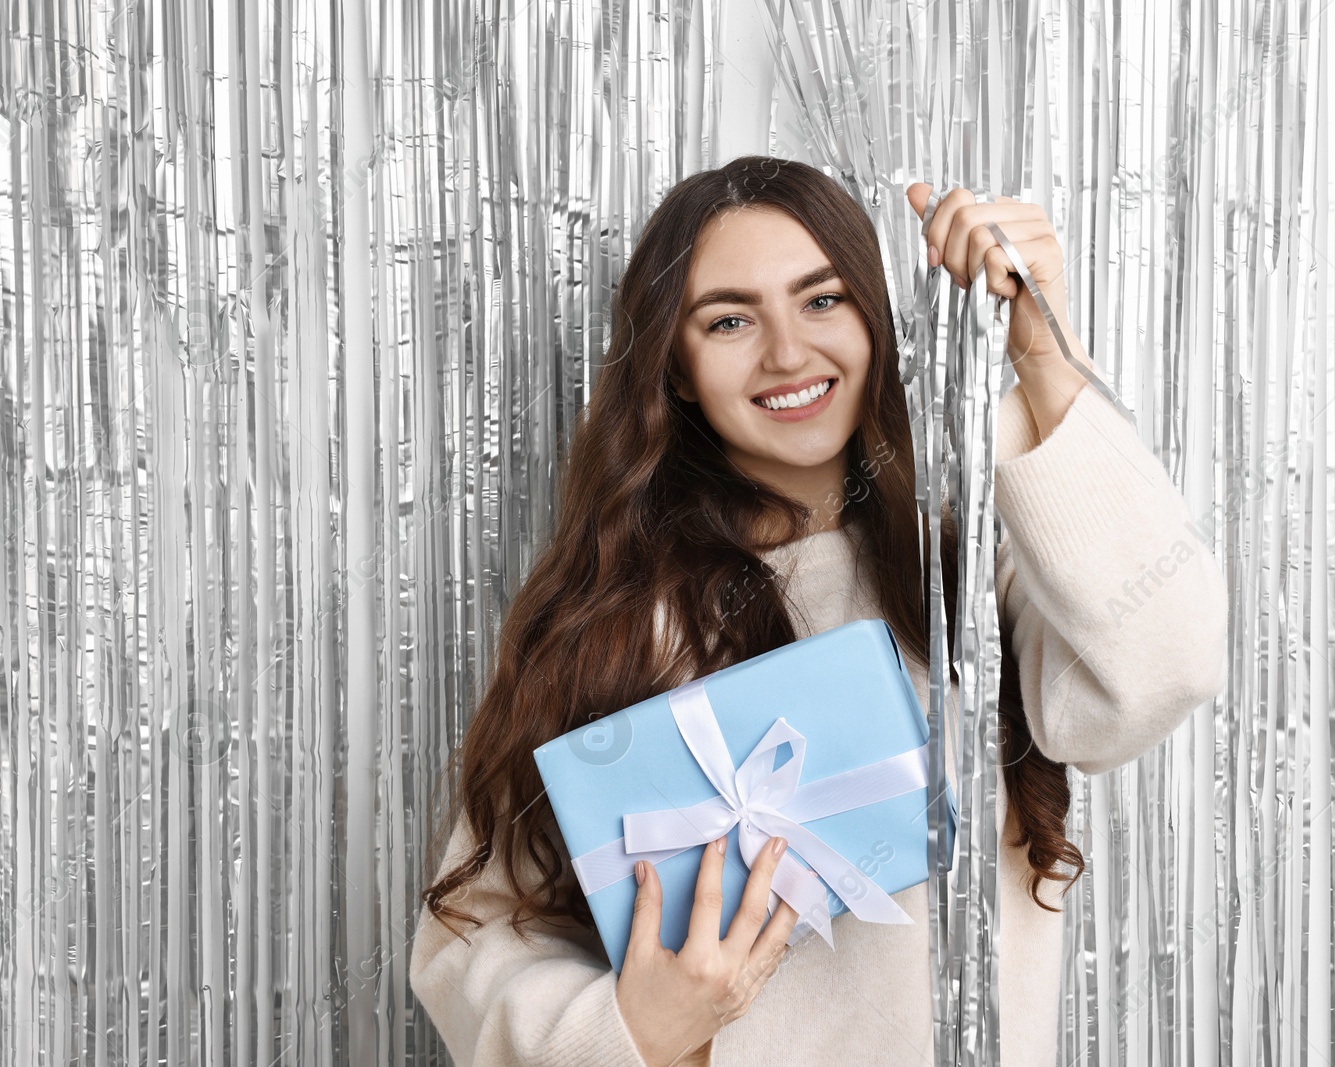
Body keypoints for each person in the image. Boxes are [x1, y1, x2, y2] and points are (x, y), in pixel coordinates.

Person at [407, 155, 1229, 1066]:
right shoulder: (612, 620)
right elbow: (473, 943)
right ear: (675, 368)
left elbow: (1171, 661)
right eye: (728, 320)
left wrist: (1042, 347)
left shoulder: (980, 568)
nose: (788, 354)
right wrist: (634, 1032)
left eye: (823, 299)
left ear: (876, 319)